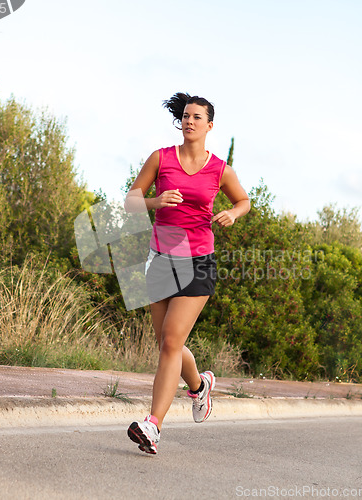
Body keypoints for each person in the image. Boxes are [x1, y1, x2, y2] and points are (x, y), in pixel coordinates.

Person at [124, 92, 250, 454]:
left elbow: (243, 200)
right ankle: (199, 386)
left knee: (171, 342)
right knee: (168, 343)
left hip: (198, 261)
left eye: (197, 117)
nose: (190, 121)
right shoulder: (161, 159)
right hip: (161, 259)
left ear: (210, 125)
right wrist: (154, 201)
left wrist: (233, 213)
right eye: (185, 116)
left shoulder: (219, 169)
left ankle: (153, 426)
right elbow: (131, 200)